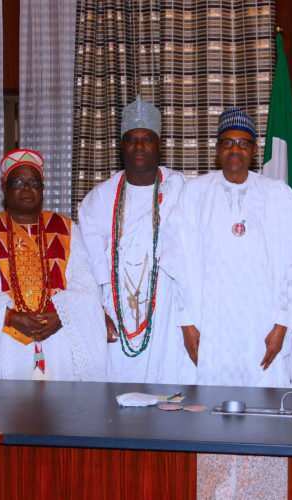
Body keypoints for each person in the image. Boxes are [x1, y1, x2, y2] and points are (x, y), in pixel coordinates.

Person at [0, 149, 106, 381]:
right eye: (18, 182)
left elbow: (86, 285)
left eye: (33, 182)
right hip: (5, 341)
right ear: (5, 188)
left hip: (60, 338)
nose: (26, 188)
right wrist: (10, 316)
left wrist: (62, 314)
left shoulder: (65, 228)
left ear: (42, 189)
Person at [178, 107, 292, 388]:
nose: (235, 150)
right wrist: (187, 323)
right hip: (210, 324)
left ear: (254, 150)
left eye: (243, 143)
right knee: (209, 414)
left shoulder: (278, 195)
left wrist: (282, 324)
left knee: (263, 415)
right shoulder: (193, 193)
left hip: (262, 325)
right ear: (217, 150)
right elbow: (180, 261)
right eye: (227, 143)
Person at [79, 96, 194, 384]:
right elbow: (86, 267)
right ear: (122, 146)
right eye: (132, 139)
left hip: (168, 311)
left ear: (159, 145)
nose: (140, 146)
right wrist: (96, 312)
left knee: (168, 398)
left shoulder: (183, 192)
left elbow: (195, 261)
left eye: (147, 139)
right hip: (113, 311)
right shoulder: (98, 200)